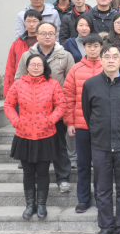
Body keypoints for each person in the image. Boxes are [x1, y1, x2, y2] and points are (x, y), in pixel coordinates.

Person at [82, 45, 120, 234]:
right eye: (107, 56)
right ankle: (105, 226)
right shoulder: (90, 84)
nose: (111, 60)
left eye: (115, 56)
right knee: (103, 189)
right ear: (101, 60)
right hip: (101, 145)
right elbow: (88, 113)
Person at [15, 22, 75, 194]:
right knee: (35, 146)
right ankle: (35, 179)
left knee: (59, 145)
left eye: (51, 33)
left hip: (57, 110)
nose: (47, 36)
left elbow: (71, 83)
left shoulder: (65, 55)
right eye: (43, 33)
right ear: (37, 35)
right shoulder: (27, 55)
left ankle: (63, 178)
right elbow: (18, 79)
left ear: (55, 35)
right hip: (32, 112)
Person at [4, 54, 65, 221]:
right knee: (28, 173)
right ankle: (30, 205)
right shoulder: (18, 84)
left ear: (45, 67)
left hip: (46, 134)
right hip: (24, 135)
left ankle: (42, 205)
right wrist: (16, 121)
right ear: (27, 66)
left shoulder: (53, 84)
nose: (36, 67)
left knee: (43, 172)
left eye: (39, 64)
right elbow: (8, 104)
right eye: (33, 64)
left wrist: (50, 120)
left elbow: (61, 105)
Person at [63, 34, 103, 214]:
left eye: (96, 46)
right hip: (81, 125)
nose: (92, 49)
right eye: (89, 46)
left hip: (102, 126)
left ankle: (101, 197)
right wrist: (69, 122)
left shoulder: (107, 67)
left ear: (101, 47)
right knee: (83, 164)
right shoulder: (76, 69)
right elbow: (68, 97)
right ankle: (83, 199)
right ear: (84, 48)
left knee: (101, 165)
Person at [4, 10, 41, 98]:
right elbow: (10, 69)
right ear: (24, 23)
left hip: (41, 88)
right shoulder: (17, 44)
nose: (31, 24)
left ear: (40, 22)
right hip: (21, 87)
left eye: (34, 21)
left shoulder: (44, 42)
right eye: (28, 21)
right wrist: (8, 92)